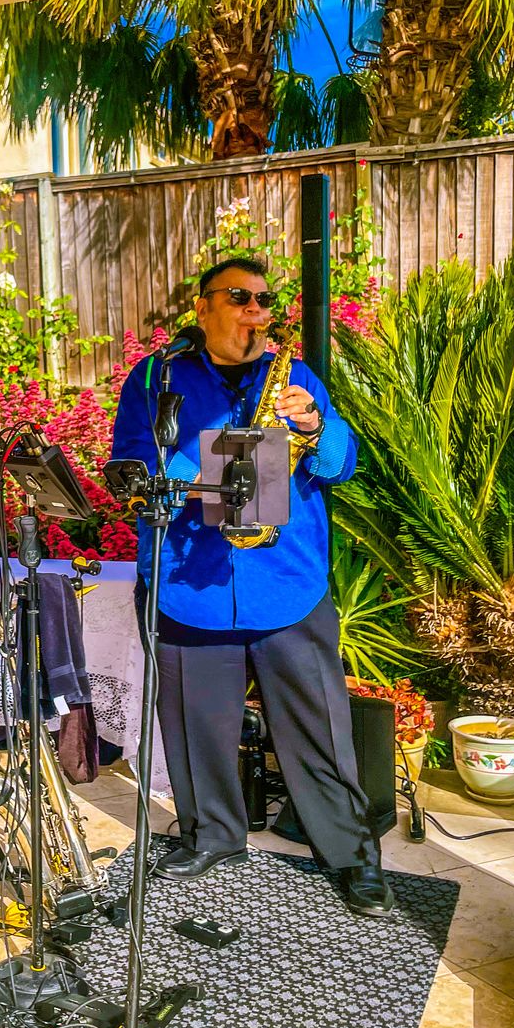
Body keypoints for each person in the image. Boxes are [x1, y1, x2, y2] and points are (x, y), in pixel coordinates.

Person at [109, 255, 396, 916]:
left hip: (287, 584)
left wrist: (314, 427)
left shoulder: (296, 376)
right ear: (203, 307)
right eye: (239, 297)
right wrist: (191, 464)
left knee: (319, 732)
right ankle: (212, 835)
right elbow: (128, 463)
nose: (255, 309)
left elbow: (343, 464)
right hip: (187, 584)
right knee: (196, 728)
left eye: (264, 299)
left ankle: (351, 854)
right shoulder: (155, 376)